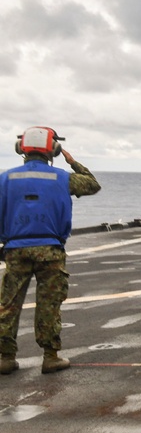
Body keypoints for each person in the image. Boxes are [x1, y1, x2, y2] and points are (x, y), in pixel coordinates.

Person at [0, 126, 101, 375]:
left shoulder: (5, 178)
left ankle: (5, 358)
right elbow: (93, 185)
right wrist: (72, 161)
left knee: (8, 304)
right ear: (53, 150)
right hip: (51, 249)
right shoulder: (62, 178)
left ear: (21, 148)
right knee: (49, 304)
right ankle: (50, 356)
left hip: (15, 249)